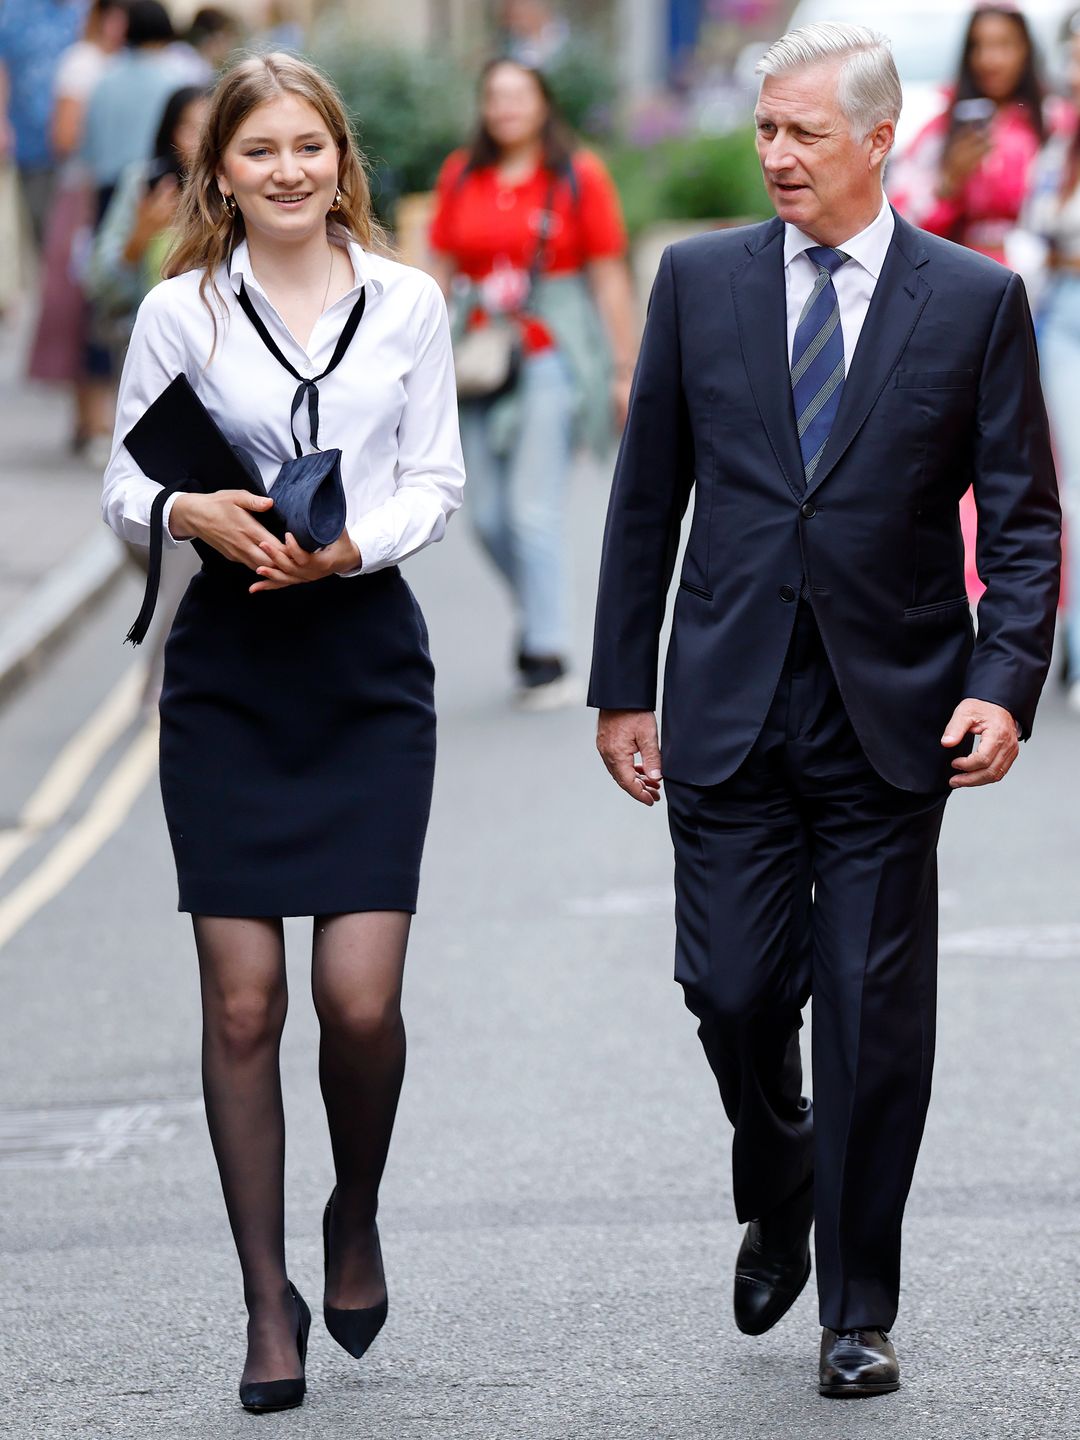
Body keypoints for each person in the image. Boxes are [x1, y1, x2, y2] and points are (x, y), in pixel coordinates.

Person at [589, 20, 1059, 1400]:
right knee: (731, 989)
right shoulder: (698, 283)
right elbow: (644, 504)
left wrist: (1003, 683)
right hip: (726, 700)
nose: (774, 154)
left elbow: (1025, 523)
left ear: (877, 138)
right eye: (764, 130)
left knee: (870, 1015)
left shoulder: (972, 300)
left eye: (800, 132)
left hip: (892, 711)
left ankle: (857, 1309)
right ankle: (778, 1151)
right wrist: (624, 686)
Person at [100, 51, 464, 1413]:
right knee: (244, 1003)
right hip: (230, 674)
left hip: (366, 657)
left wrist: (356, 543)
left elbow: (437, 475)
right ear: (222, 173)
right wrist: (180, 514)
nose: (290, 170)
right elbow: (124, 484)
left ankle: (351, 1211)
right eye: (261, 152)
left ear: (341, 160)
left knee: (357, 1000)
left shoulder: (408, 301)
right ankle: (267, 1302)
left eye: (309, 146)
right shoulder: (180, 311)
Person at [429, 57, 635, 708]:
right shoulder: (462, 172)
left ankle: (546, 652)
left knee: (530, 508)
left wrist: (626, 369)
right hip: (477, 358)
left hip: (550, 355)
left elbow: (609, 277)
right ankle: (540, 609)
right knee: (485, 516)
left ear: (544, 104)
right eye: (495, 95)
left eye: (519, 95)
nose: (506, 107)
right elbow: (434, 267)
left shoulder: (579, 175)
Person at [889, 3, 1061, 602]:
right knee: (962, 452)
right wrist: (950, 183)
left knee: (1044, 460)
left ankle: (1046, 616)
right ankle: (968, 600)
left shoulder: (1055, 126)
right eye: (980, 46)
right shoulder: (940, 132)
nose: (992, 59)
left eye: (1005, 45)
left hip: (1047, 303)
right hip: (962, 304)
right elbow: (905, 222)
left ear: (1026, 52)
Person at [26, 0, 127, 455]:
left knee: (105, 305)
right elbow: (63, 136)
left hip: (113, 191)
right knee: (77, 303)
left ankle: (102, 418)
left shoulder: (124, 62)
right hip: (82, 193)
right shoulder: (82, 64)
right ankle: (86, 418)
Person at [1019, 7, 1080, 712]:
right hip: (1062, 304)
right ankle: (1075, 638)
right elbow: (1035, 223)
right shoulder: (1058, 139)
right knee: (1069, 491)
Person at [80, 0, 189, 222]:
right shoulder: (173, 82)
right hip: (151, 187)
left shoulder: (105, 79)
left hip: (106, 184)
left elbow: (89, 140)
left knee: (109, 249)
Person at [0, 0, 88, 248]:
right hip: (29, 139)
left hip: (80, 146)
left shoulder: (85, 10)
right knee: (38, 226)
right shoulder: (15, 9)